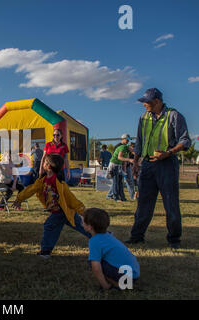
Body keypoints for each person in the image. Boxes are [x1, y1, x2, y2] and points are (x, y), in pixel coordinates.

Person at [126, 88, 191, 249]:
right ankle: (137, 236)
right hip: (147, 165)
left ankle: (174, 240)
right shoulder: (143, 118)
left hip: (167, 165)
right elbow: (139, 143)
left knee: (170, 203)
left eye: (146, 102)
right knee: (143, 203)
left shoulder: (174, 116)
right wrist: (135, 163)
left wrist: (168, 153)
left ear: (157, 101)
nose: (144, 105)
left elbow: (185, 141)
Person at [13, 153, 91, 258]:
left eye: (44, 162)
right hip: (63, 212)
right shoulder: (42, 180)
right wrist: (20, 198)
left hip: (60, 212)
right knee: (81, 226)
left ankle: (45, 251)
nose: (43, 164)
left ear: (48, 166)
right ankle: (102, 235)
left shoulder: (59, 182)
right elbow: (31, 189)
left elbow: (70, 198)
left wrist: (81, 209)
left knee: (49, 226)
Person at [82, 208, 140, 291]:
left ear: (89, 227)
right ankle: (123, 283)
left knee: (92, 262)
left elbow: (96, 267)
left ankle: (117, 286)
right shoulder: (108, 235)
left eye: (83, 221)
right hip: (134, 273)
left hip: (126, 278)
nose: (81, 223)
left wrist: (105, 286)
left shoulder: (95, 241)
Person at [106, 134, 133, 202]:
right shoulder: (122, 147)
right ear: (123, 139)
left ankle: (123, 198)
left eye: (128, 140)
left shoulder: (127, 150)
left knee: (120, 182)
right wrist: (129, 160)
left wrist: (124, 171)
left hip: (119, 166)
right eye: (127, 140)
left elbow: (124, 161)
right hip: (114, 165)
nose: (128, 141)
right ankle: (116, 198)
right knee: (115, 182)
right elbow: (119, 157)